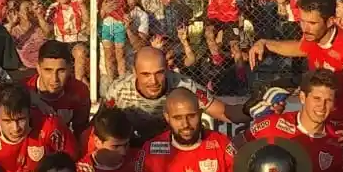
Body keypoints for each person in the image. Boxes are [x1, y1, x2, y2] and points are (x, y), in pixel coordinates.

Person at [247, 0, 343, 142]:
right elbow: (300, 48)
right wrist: (265, 43)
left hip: (339, 130)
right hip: (316, 122)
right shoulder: (315, 35)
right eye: (302, 21)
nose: (305, 28)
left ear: (330, 21)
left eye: (312, 23)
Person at [103, 46, 247, 144]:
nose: (153, 81)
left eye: (159, 73)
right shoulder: (118, 90)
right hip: (131, 147)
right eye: (145, 74)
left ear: (167, 69)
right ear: (134, 72)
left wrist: (256, 109)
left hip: (172, 148)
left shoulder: (183, 85)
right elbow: (99, 126)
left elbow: (224, 112)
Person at [27, 40, 91, 137]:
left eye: (61, 71)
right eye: (48, 70)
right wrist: (30, 97)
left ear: (70, 69)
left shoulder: (80, 92)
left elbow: (80, 132)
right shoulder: (23, 89)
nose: (54, 78)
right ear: (38, 69)